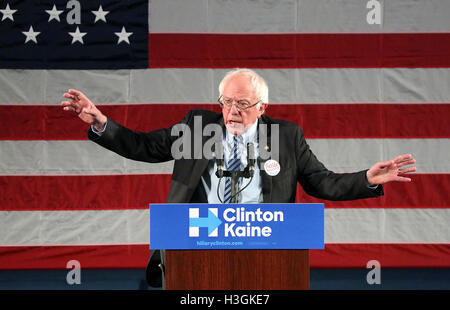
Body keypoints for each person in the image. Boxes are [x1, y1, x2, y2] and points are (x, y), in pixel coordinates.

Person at [61, 68, 416, 287]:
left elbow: (321, 182)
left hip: (266, 246)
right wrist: (100, 123)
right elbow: (143, 147)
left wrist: (367, 178)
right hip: (198, 244)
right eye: (226, 101)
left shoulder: (286, 136)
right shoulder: (196, 128)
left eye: (242, 104)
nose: (232, 111)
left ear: (263, 107)